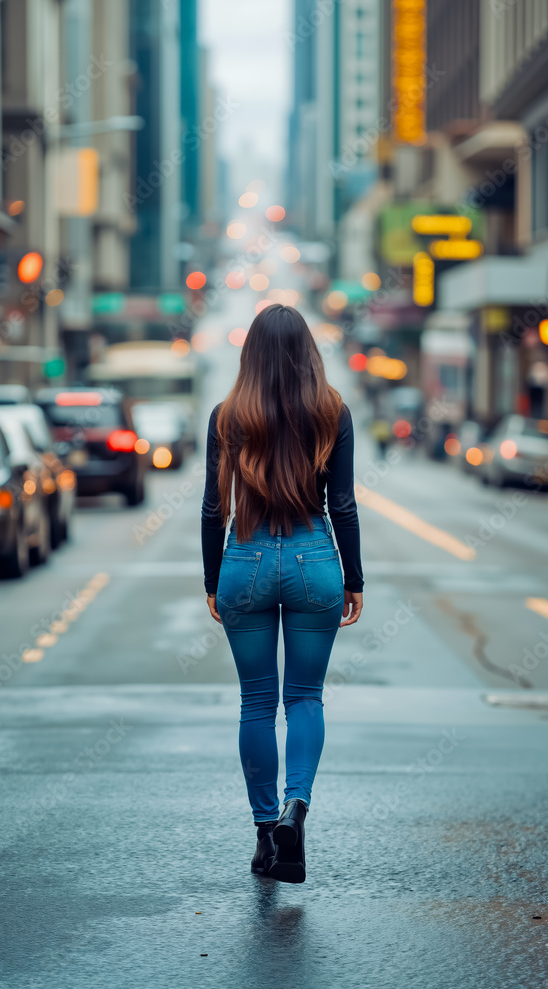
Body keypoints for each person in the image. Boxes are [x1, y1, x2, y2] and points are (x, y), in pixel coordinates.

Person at [201, 304, 364, 884]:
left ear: (249, 355)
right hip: (313, 558)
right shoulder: (332, 413)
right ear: (308, 353)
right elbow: (342, 504)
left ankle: (267, 833)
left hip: (244, 558)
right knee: (305, 699)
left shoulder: (227, 416)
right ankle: (298, 809)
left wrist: (211, 578)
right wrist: (354, 578)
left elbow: (213, 509)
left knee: (256, 704)